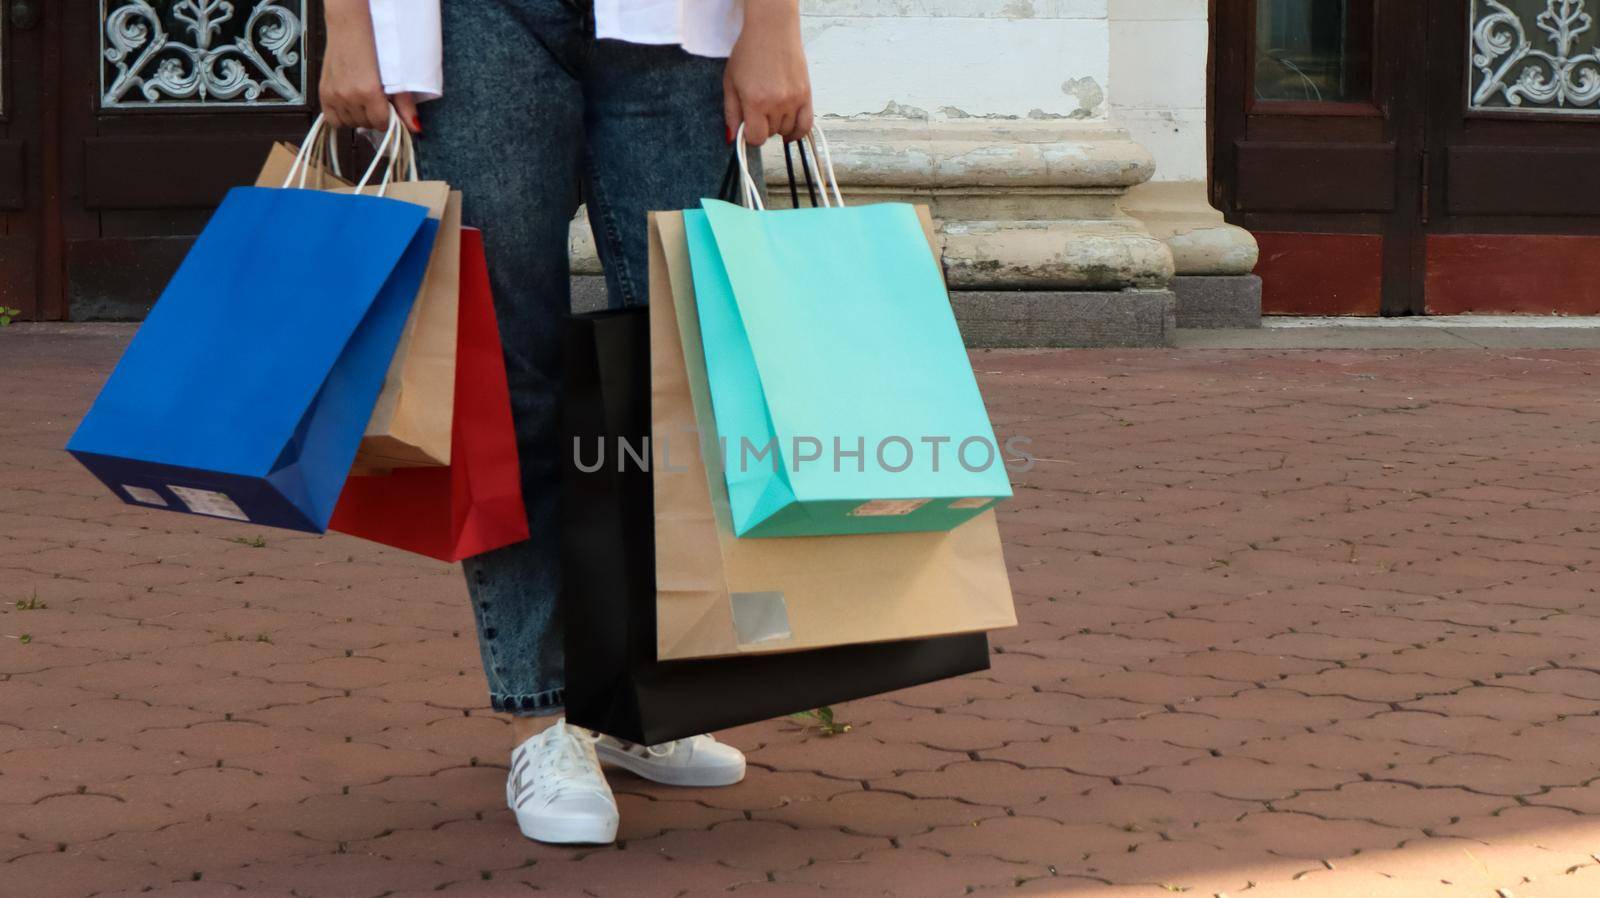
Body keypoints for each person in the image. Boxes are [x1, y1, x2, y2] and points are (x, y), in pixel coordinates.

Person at [318, 0, 815, 845]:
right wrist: (347, 25)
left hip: (678, 24)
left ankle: (635, 697)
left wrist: (773, 23)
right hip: (477, 24)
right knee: (506, 371)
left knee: (685, 363)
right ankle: (541, 715)